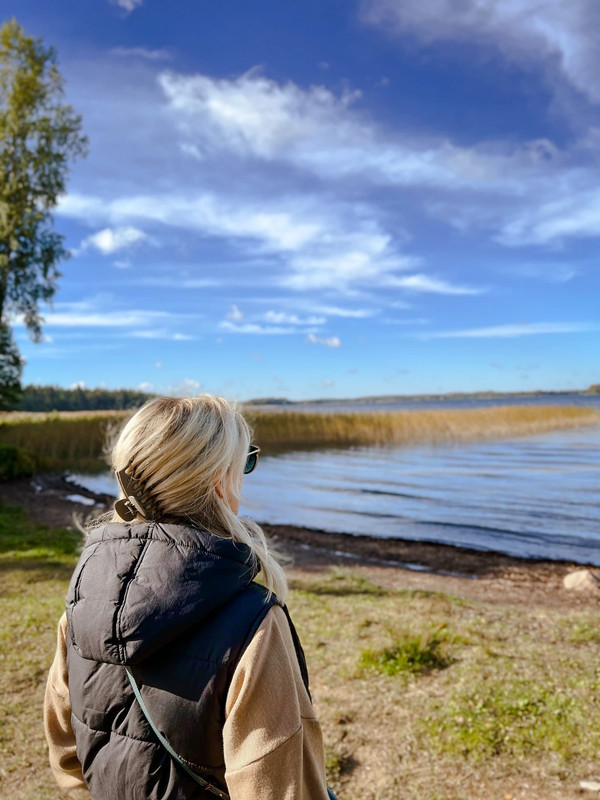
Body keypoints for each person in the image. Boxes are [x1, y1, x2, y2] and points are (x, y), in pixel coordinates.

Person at [44, 394, 332, 799]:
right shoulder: (253, 623)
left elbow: (67, 755)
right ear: (218, 478)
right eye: (245, 460)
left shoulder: (81, 604)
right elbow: (279, 787)